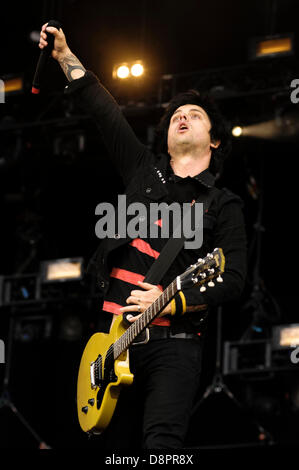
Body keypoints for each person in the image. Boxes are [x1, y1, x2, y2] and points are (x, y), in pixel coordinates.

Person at [39, 23, 247, 449]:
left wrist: (171, 298)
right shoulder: (144, 172)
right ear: (167, 138)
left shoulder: (224, 205)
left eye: (195, 115)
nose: (182, 117)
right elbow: (104, 110)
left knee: (161, 446)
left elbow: (235, 278)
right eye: (176, 116)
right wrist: (63, 56)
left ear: (216, 141)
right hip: (112, 345)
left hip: (176, 345)